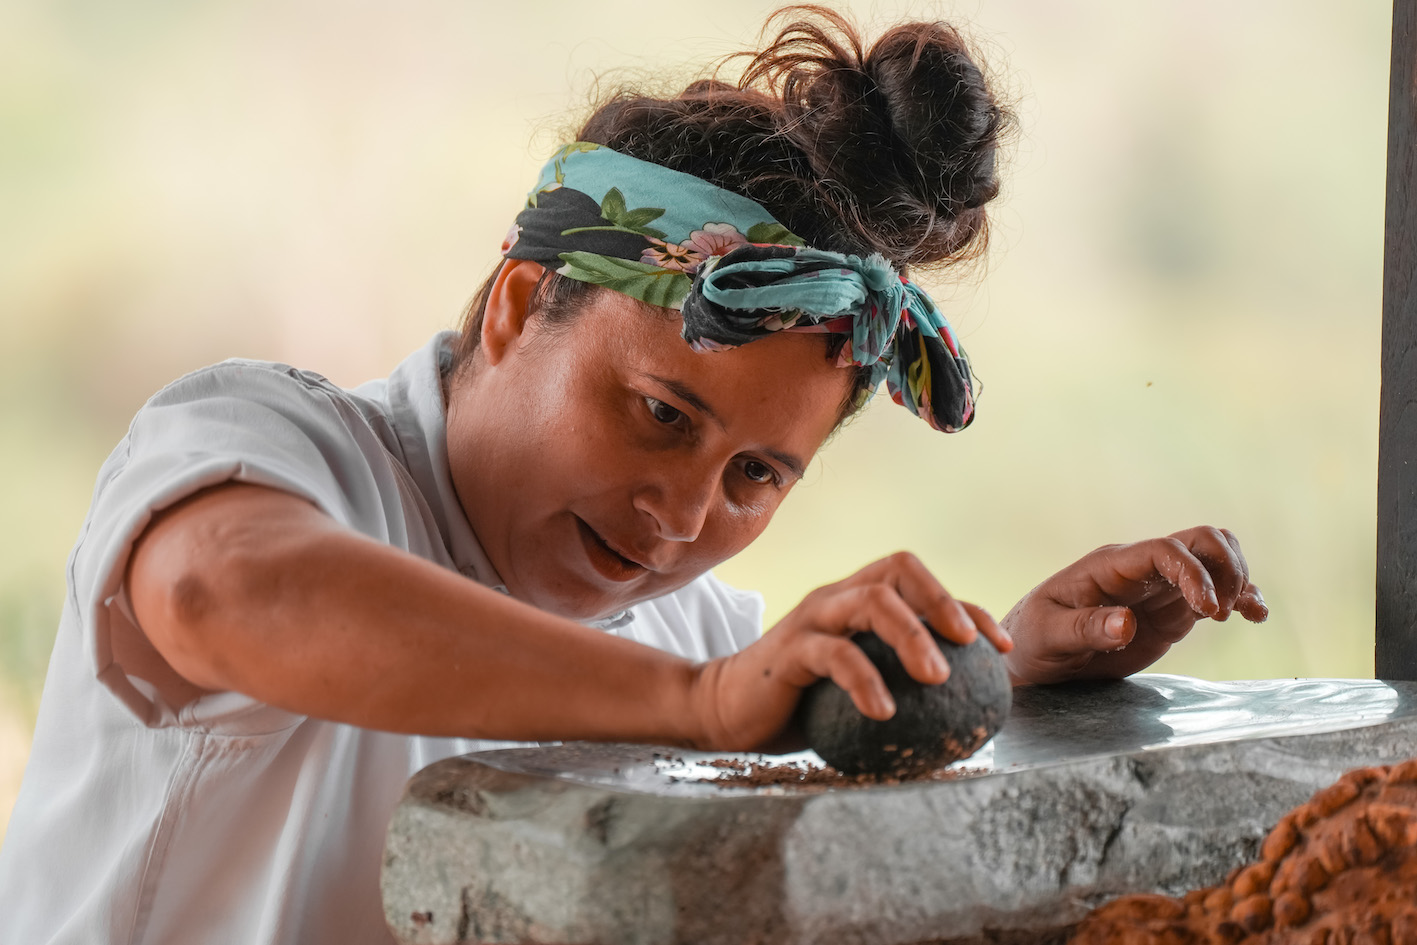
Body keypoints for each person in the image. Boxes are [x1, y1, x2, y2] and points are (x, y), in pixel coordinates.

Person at [0, 7, 1266, 944]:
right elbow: (228, 594)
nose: (683, 517)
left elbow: (787, 720)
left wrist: (1006, 664)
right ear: (514, 307)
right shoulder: (273, 448)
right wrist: (705, 701)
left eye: (759, 473)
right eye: (660, 413)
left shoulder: (671, 630)